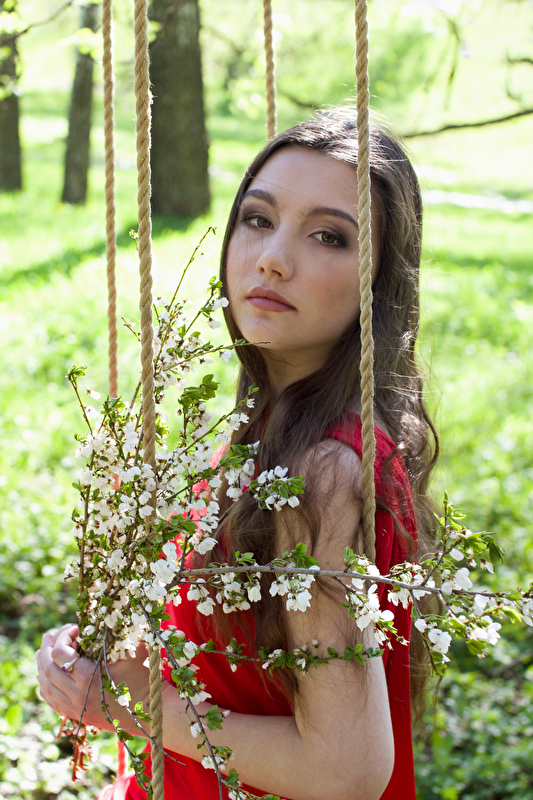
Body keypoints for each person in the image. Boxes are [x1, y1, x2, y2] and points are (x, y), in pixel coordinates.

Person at [37, 108, 438, 800]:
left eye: (328, 236)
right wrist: (115, 665)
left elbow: (344, 771)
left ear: (378, 279)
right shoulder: (265, 434)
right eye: (258, 219)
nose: (272, 257)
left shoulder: (319, 472)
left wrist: (130, 707)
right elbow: (245, 673)